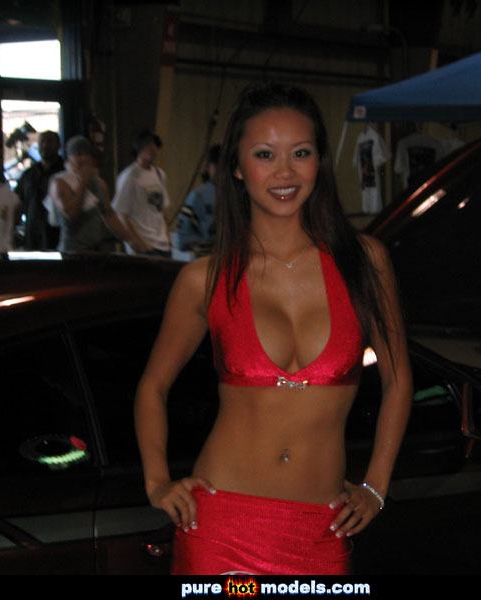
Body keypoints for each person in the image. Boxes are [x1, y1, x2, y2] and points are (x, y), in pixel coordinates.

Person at [134, 82, 412, 575]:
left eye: (300, 153)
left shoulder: (364, 262)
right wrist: (157, 482)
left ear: (319, 162)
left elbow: (398, 380)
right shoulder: (204, 279)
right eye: (265, 154)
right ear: (238, 168)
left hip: (322, 532)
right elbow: (153, 386)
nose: (285, 172)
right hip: (221, 528)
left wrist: (375, 487)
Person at [48, 135, 146, 254]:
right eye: (77, 154)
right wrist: (83, 182)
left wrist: (130, 239)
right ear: (69, 158)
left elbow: (109, 216)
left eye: (86, 154)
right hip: (71, 251)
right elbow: (71, 214)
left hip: (95, 250)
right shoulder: (60, 182)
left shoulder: (99, 183)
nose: (82, 158)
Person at [112, 130, 172, 257]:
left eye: (154, 145)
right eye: (147, 145)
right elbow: (121, 214)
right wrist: (138, 244)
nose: (152, 149)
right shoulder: (130, 176)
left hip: (162, 244)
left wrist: (167, 237)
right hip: (144, 245)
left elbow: (163, 210)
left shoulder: (160, 174)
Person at [16, 130, 64, 250]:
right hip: (32, 237)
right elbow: (18, 203)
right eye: (42, 142)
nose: (45, 145)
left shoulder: (66, 173)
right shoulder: (28, 174)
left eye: (50, 142)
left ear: (59, 145)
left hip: (59, 237)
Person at [175, 144, 221, 258]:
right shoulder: (198, 195)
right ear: (208, 167)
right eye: (217, 165)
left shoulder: (236, 198)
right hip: (204, 257)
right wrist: (201, 245)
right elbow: (183, 235)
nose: (221, 170)